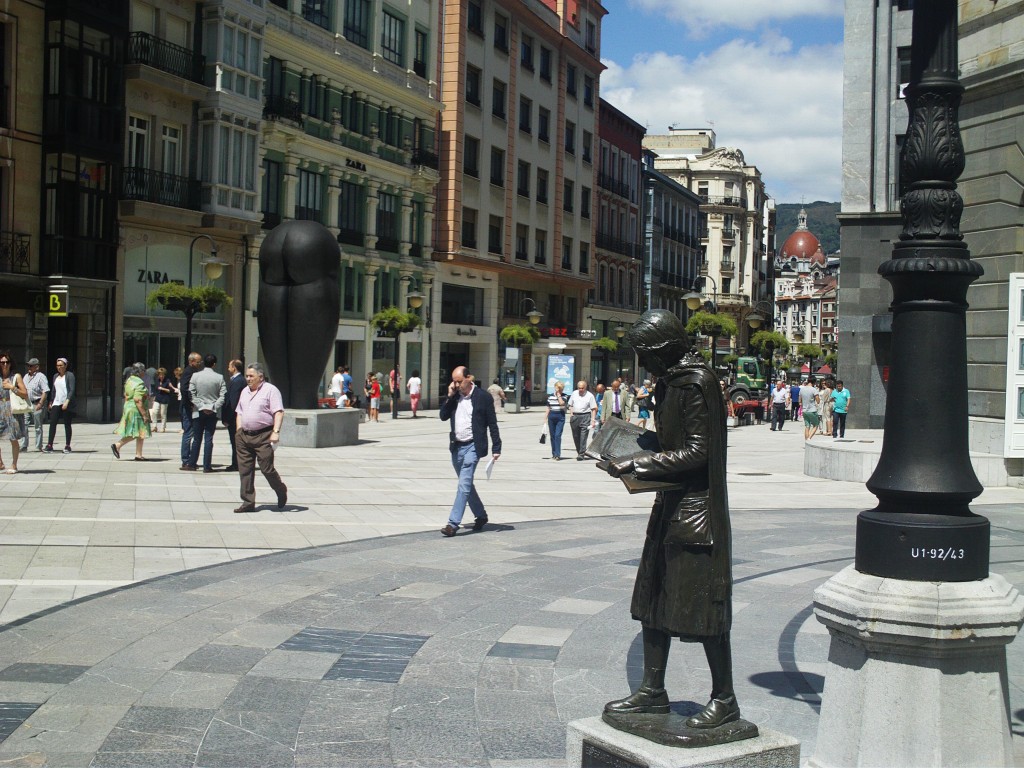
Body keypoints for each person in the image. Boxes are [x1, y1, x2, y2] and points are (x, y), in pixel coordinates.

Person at [601, 309, 739, 730]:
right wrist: (627, 446)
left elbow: (700, 452)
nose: (643, 363)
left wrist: (643, 462)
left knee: (704, 606)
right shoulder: (669, 382)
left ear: (664, 349)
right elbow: (673, 442)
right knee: (653, 599)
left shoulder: (698, 384)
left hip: (698, 514)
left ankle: (725, 698)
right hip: (670, 506)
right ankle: (652, 690)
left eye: (646, 353)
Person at [439, 366, 501, 537]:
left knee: (463, 485)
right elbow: (443, 416)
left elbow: (492, 423)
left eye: (459, 381)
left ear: (469, 378)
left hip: (473, 446)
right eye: (454, 381)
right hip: (456, 447)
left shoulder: (483, 397)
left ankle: (452, 524)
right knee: (466, 485)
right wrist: (450, 396)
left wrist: (497, 447)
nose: (456, 384)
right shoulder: (455, 397)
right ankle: (481, 515)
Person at [233, 362, 287, 513]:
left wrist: (275, 431)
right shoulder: (244, 391)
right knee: (245, 470)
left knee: (267, 469)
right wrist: (238, 430)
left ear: (261, 377)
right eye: (247, 376)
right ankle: (248, 502)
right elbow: (240, 412)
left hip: (263, 435)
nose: (248, 379)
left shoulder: (271, 390)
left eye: (251, 376)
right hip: (244, 436)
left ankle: (280, 489)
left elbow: (278, 412)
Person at [187, 354, 227, 473]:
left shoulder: (195, 376)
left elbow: (191, 393)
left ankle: (192, 463)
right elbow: (223, 395)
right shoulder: (219, 377)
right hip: (212, 411)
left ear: (203, 362)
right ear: (214, 364)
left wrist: (200, 406)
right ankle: (207, 466)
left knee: (197, 439)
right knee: (209, 439)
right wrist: (214, 406)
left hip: (198, 411)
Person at [111, 362, 152, 461]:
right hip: (136, 410)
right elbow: (138, 400)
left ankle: (139, 454)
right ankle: (117, 445)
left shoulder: (129, 380)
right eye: (143, 370)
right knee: (136, 432)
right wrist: (144, 415)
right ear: (140, 371)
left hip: (129, 408)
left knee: (140, 432)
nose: (144, 372)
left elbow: (126, 394)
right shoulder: (139, 383)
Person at [0, 351, 26, 473]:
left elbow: (25, 394)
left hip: (12, 409)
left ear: (11, 364)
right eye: (2, 362)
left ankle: (14, 465)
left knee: (13, 438)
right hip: (0, 409)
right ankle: (0, 462)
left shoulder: (16, 377)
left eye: (7, 362)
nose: (5, 364)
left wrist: (12, 387)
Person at [44, 357, 75, 454]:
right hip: (56, 402)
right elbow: (53, 390)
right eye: (57, 365)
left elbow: (71, 389)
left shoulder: (70, 375)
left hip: (66, 402)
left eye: (61, 365)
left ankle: (67, 445)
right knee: (52, 423)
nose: (59, 367)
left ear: (65, 366)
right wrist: (51, 401)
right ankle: (50, 444)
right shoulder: (55, 376)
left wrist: (67, 401)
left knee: (67, 424)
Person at [178, 353, 202, 466]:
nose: (199, 364)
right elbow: (184, 388)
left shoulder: (194, 371)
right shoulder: (189, 371)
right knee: (188, 432)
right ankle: (186, 460)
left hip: (191, 405)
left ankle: (190, 459)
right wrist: (190, 403)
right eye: (198, 362)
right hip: (188, 406)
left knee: (192, 432)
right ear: (191, 361)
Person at [222, 359, 246, 472]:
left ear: (234, 368)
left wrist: (228, 417)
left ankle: (236, 464)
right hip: (235, 416)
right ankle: (236, 463)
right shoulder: (238, 380)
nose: (228, 368)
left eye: (229, 366)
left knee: (235, 441)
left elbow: (233, 401)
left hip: (235, 417)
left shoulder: (238, 381)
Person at [21, 358, 49, 452]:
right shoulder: (25, 377)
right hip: (26, 403)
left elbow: (45, 391)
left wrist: (40, 403)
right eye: (28, 365)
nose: (29, 367)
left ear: (36, 367)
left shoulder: (41, 376)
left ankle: (38, 446)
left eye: (31, 366)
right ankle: (24, 445)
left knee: (38, 426)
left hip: (37, 403)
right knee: (24, 425)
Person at [567, 380, 598, 460]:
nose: (580, 389)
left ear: (585, 387)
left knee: (583, 436)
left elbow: (593, 409)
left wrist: (593, 420)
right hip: (575, 416)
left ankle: (581, 454)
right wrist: (571, 414)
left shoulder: (590, 395)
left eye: (582, 388)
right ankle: (579, 451)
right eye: (579, 388)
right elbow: (570, 405)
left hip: (585, 416)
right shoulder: (574, 393)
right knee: (576, 436)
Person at [545, 380, 568, 460]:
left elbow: (562, 403)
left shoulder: (564, 396)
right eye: (558, 389)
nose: (560, 390)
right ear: (555, 388)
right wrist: (545, 418)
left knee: (557, 435)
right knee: (552, 436)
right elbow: (548, 407)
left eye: (561, 389)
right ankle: (554, 453)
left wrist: (558, 395)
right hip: (552, 415)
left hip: (560, 416)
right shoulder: (550, 396)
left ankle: (558, 454)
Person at [150, 368, 173, 432]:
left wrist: (163, 389)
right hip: (157, 398)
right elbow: (155, 389)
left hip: (165, 398)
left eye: (162, 375)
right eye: (160, 375)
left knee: (163, 413)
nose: (161, 376)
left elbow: (170, 390)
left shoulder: (167, 381)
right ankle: (154, 426)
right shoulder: (156, 380)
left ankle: (163, 427)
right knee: (154, 412)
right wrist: (154, 397)